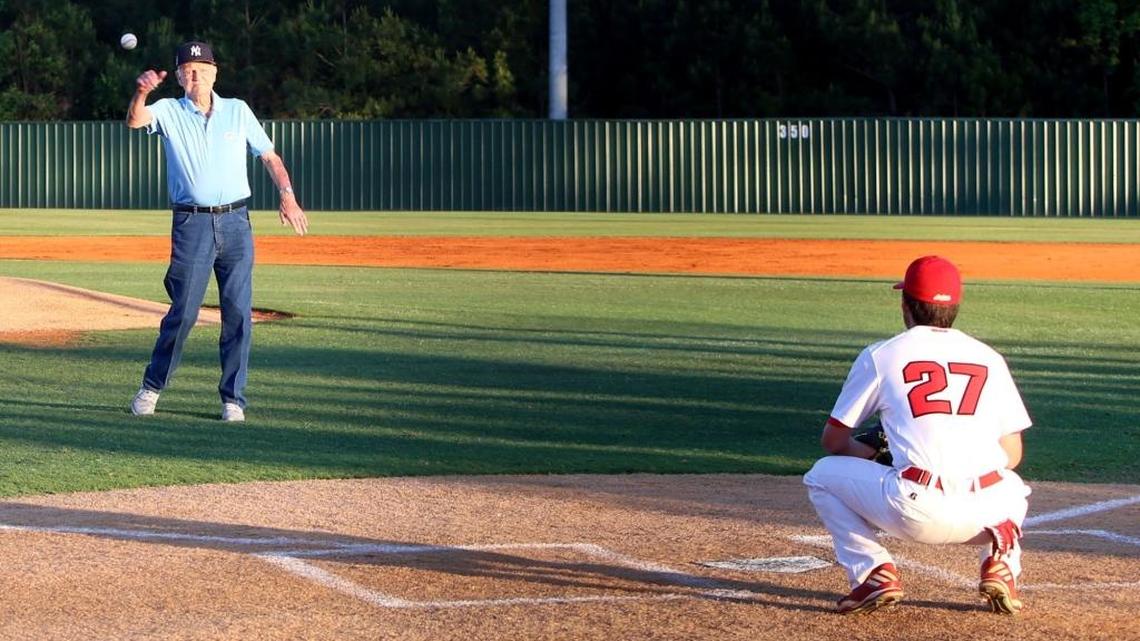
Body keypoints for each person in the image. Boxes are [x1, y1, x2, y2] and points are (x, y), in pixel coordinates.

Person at [803, 255, 1032, 616]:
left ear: (905, 304)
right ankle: (1001, 564)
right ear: (955, 306)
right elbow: (1012, 452)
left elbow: (833, 443)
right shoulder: (990, 358)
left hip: (916, 510)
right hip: (986, 516)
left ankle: (874, 571)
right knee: (1013, 484)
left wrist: (874, 450)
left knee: (822, 475)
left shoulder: (881, 355)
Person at [125, 40, 309, 422]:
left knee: (239, 313)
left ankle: (233, 400)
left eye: (203, 68)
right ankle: (152, 387)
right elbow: (135, 121)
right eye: (189, 70)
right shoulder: (169, 111)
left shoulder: (238, 111)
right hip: (192, 223)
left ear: (215, 72)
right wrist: (141, 92)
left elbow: (269, 156)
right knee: (184, 312)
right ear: (178, 76)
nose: (197, 75)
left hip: (236, 222)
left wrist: (287, 195)